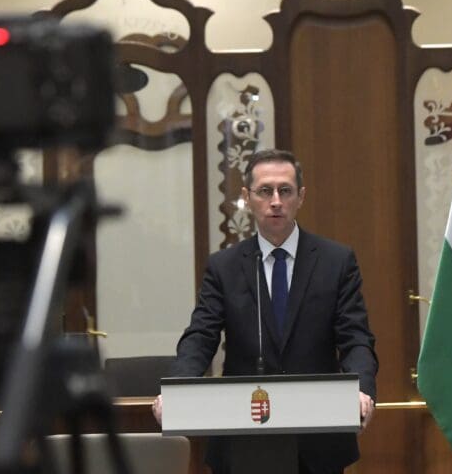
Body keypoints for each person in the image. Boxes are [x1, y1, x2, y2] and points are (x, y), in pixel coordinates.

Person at [152, 148, 378, 474]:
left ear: (300, 196)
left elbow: (356, 336)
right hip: (242, 437)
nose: (275, 201)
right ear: (247, 197)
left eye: (285, 190)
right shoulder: (224, 267)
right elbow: (201, 336)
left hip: (318, 442)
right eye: (264, 191)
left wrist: (362, 389)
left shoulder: (336, 261)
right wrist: (175, 389)